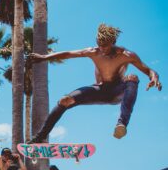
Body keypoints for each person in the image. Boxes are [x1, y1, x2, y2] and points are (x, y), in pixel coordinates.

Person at [28, 23, 162, 143]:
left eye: (105, 45)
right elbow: (68, 53)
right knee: (65, 100)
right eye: (99, 44)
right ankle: (41, 136)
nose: (102, 48)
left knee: (132, 78)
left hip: (117, 91)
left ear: (113, 41)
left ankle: (122, 124)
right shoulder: (93, 52)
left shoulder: (126, 55)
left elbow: (148, 70)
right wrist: (44, 57)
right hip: (99, 90)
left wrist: (154, 77)